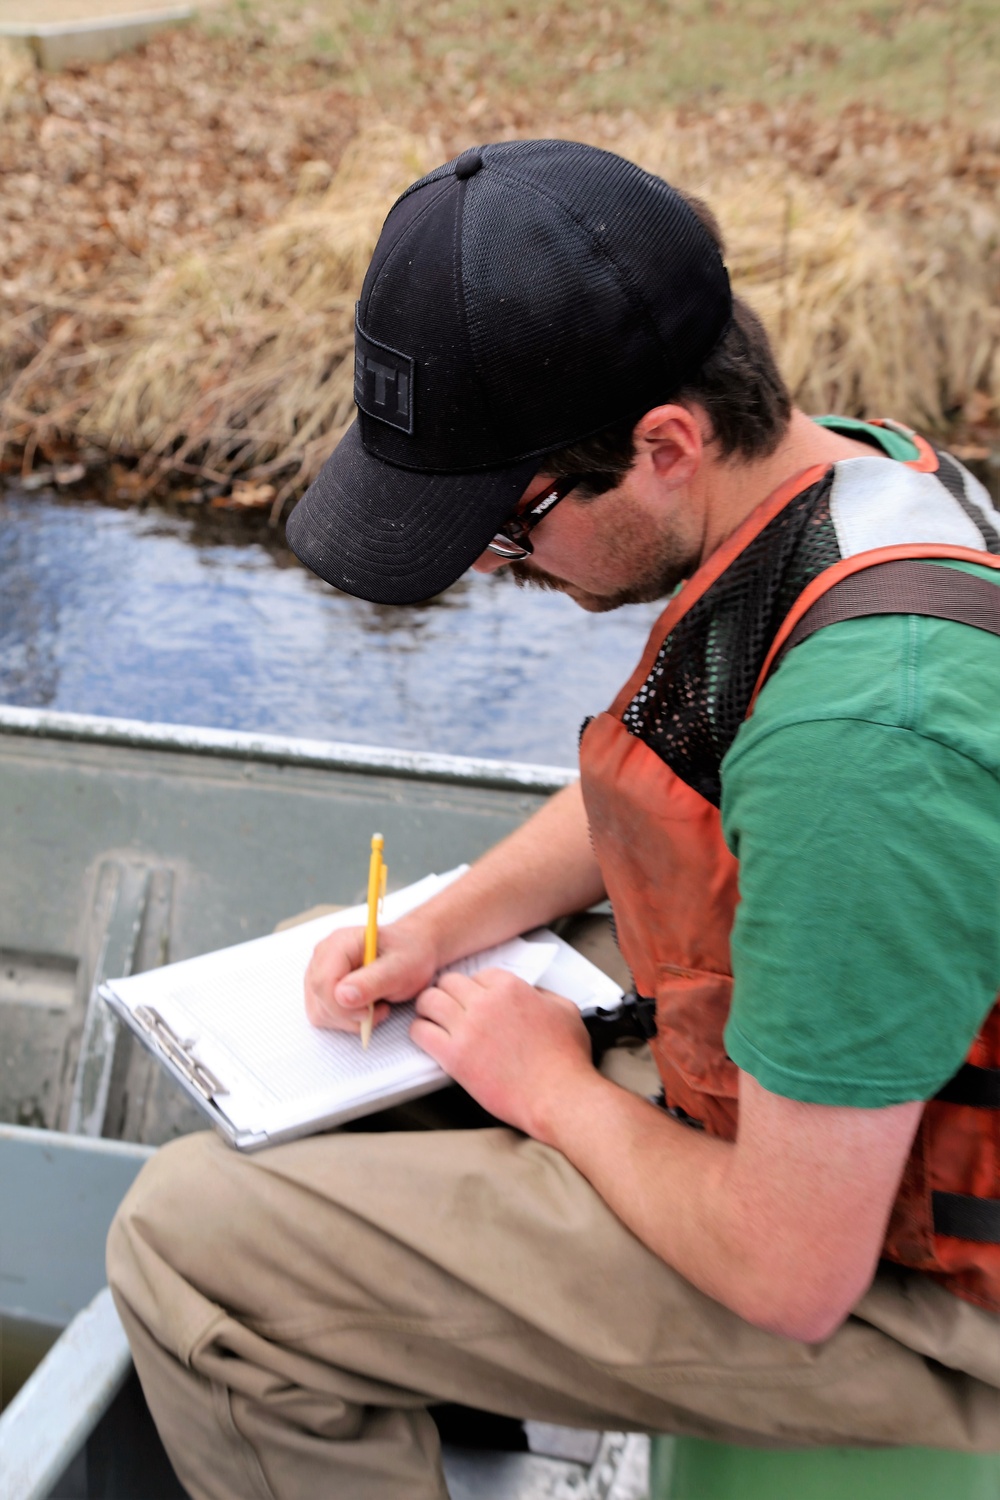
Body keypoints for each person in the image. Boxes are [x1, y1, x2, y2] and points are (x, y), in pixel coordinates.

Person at [107, 140, 1000, 1499]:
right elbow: (668, 778)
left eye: (509, 529)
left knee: (188, 1244)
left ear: (664, 445)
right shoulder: (847, 491)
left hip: (929, 1310)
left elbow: (791, 1269)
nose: (485, 563)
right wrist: (436, 929)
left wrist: (553, 1094)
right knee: (354, 989)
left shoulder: (864, 744)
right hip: (837, 1131)